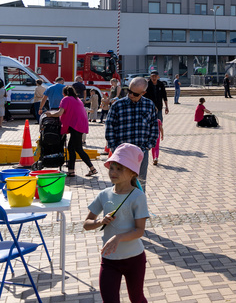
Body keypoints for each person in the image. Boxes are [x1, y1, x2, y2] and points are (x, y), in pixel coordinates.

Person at [83, 143, 150, 303]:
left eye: (119, 169)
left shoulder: (138, 196)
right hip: (109, 260)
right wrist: (99, 221)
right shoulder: (104, 195)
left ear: (133, 173)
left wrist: (118, 237)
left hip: (134, 258)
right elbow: (86, 223)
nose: (113, 172)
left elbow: (139, 231)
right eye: (112, 167)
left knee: (137, 299)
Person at [104, 77, 160, 191]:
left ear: (143, 93)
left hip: (141, 153)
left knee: (139, 186)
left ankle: (138, 208)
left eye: (134, 93)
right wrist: (115, 148)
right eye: (129, 91)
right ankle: (117, 208)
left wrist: (147, 147)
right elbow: (109, 128)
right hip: (120, 154)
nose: (130, 95)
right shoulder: (117, 105)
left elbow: (154, 128)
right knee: (118, 185)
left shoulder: (149, 105)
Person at [46, 86, 98, 177]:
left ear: (64, 93)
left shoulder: (65, 99)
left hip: (75, 126)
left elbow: (60, 113)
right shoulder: (77, 99)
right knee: (71, 148)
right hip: (81, 125)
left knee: (78, 148)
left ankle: (92, 168)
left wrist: (50, 114)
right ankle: (71, 170)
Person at [144, 72, 169, 167]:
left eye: (155, 76)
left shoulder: (161, 84)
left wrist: (167, 106)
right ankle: (149, 138)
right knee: (149, 124)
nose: (154, 78)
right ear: (150, 77)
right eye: (152, 76)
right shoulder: (148, 84)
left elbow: (164, 95)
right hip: (149, 109)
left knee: (159, 123)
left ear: (158, 77)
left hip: (159, 107)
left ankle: (156, 139)